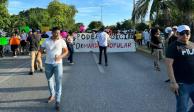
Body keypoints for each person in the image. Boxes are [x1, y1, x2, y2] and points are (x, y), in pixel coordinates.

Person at [38, 27, 68, 111]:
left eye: (59, 33)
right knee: (49, 80)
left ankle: (57, 101)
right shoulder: (46, 41)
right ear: (52, 33)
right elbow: (40, 50)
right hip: (48, 64)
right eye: (56, 33)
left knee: (58, 81)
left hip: (58, 64)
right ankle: (52, 94)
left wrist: (60, 56)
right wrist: (38, 57)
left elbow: (66, 51)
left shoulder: (62, 41)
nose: (58, 34)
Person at [165, 25, 194, 112]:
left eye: (187, 33)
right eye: (182, 33)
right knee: (182, 108)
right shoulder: (172, 47)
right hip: (182, 84)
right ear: (177, 34)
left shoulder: (192, 44)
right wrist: (173, 82)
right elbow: (169, 65)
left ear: (190, 34)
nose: (185, 35)